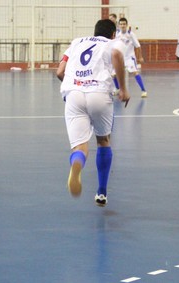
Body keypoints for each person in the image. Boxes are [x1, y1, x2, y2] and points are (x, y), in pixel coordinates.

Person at [56, 19, 130, 207]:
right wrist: (122, 89)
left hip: (74, 94)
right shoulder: (112, 43)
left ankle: (77, 164)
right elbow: (117, 55)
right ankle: (101, 192)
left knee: (80, 147)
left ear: (94, 31)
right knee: (103, 140)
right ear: (113, 34)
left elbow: (59, 72)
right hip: (98, 94)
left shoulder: (77, 42)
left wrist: (74, 86)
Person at [111, 17, 147, 98]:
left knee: (135, 73)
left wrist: (140, 57)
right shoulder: (116, 34)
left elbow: (138, 46)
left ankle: (143, 90)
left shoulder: (131, 34)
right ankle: (117, 89)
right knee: (113, 74)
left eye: (124, 24)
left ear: (126, 25)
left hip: (129, 57)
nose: (122, 25)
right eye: (121, 24)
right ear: (119, 25)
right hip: (120, 57)